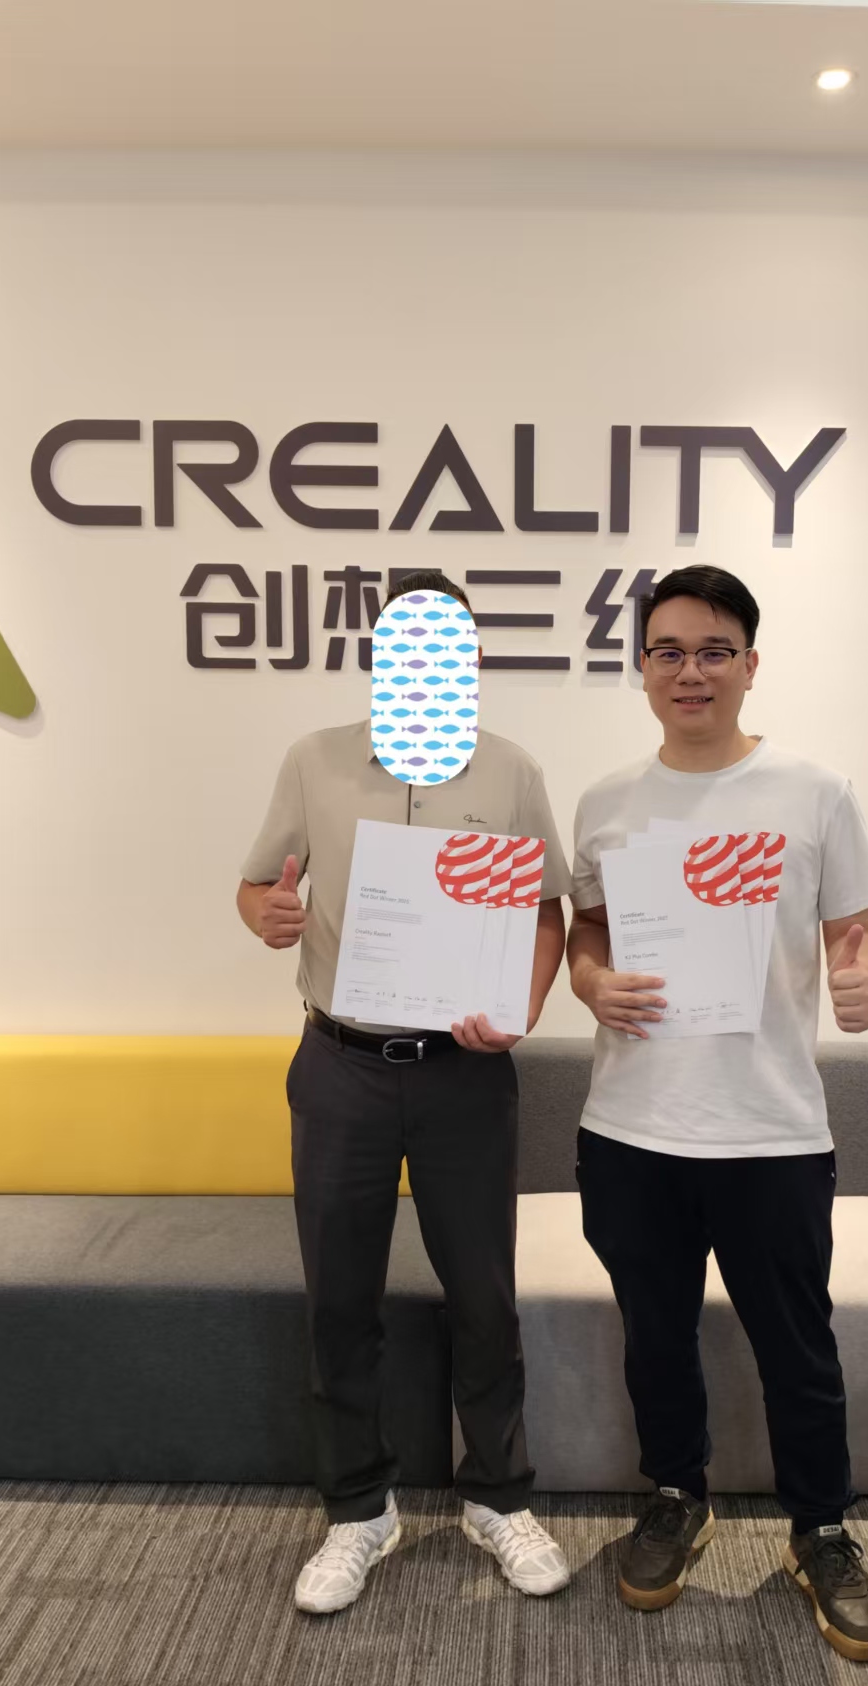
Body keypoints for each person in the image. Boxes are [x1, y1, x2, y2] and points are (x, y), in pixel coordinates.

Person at [566, 563, 868, 1662]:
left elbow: (855, 929)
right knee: (655, 1336)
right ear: (641, 668)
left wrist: (860, 979)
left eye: (714, 650)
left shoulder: (815, 792)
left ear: (750, 665)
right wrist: (589, 980)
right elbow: (587, 928)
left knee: (797, 1348)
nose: (690, 670)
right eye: (668, 650)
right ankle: (676, 1495)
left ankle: (822, 1530)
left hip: (771, 1131)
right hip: (631, 1129)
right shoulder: (606, 803)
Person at [238, 571, 572, 1614]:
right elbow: (257, 885)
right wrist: (267, 915)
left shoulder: (510, 769)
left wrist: (518, 1006)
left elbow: (548, 910)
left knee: (483, 1295)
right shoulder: (315, 761)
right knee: (340, 1297)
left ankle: (497, 1498)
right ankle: (358, 1510)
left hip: (464, 1073)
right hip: (339, 1064)